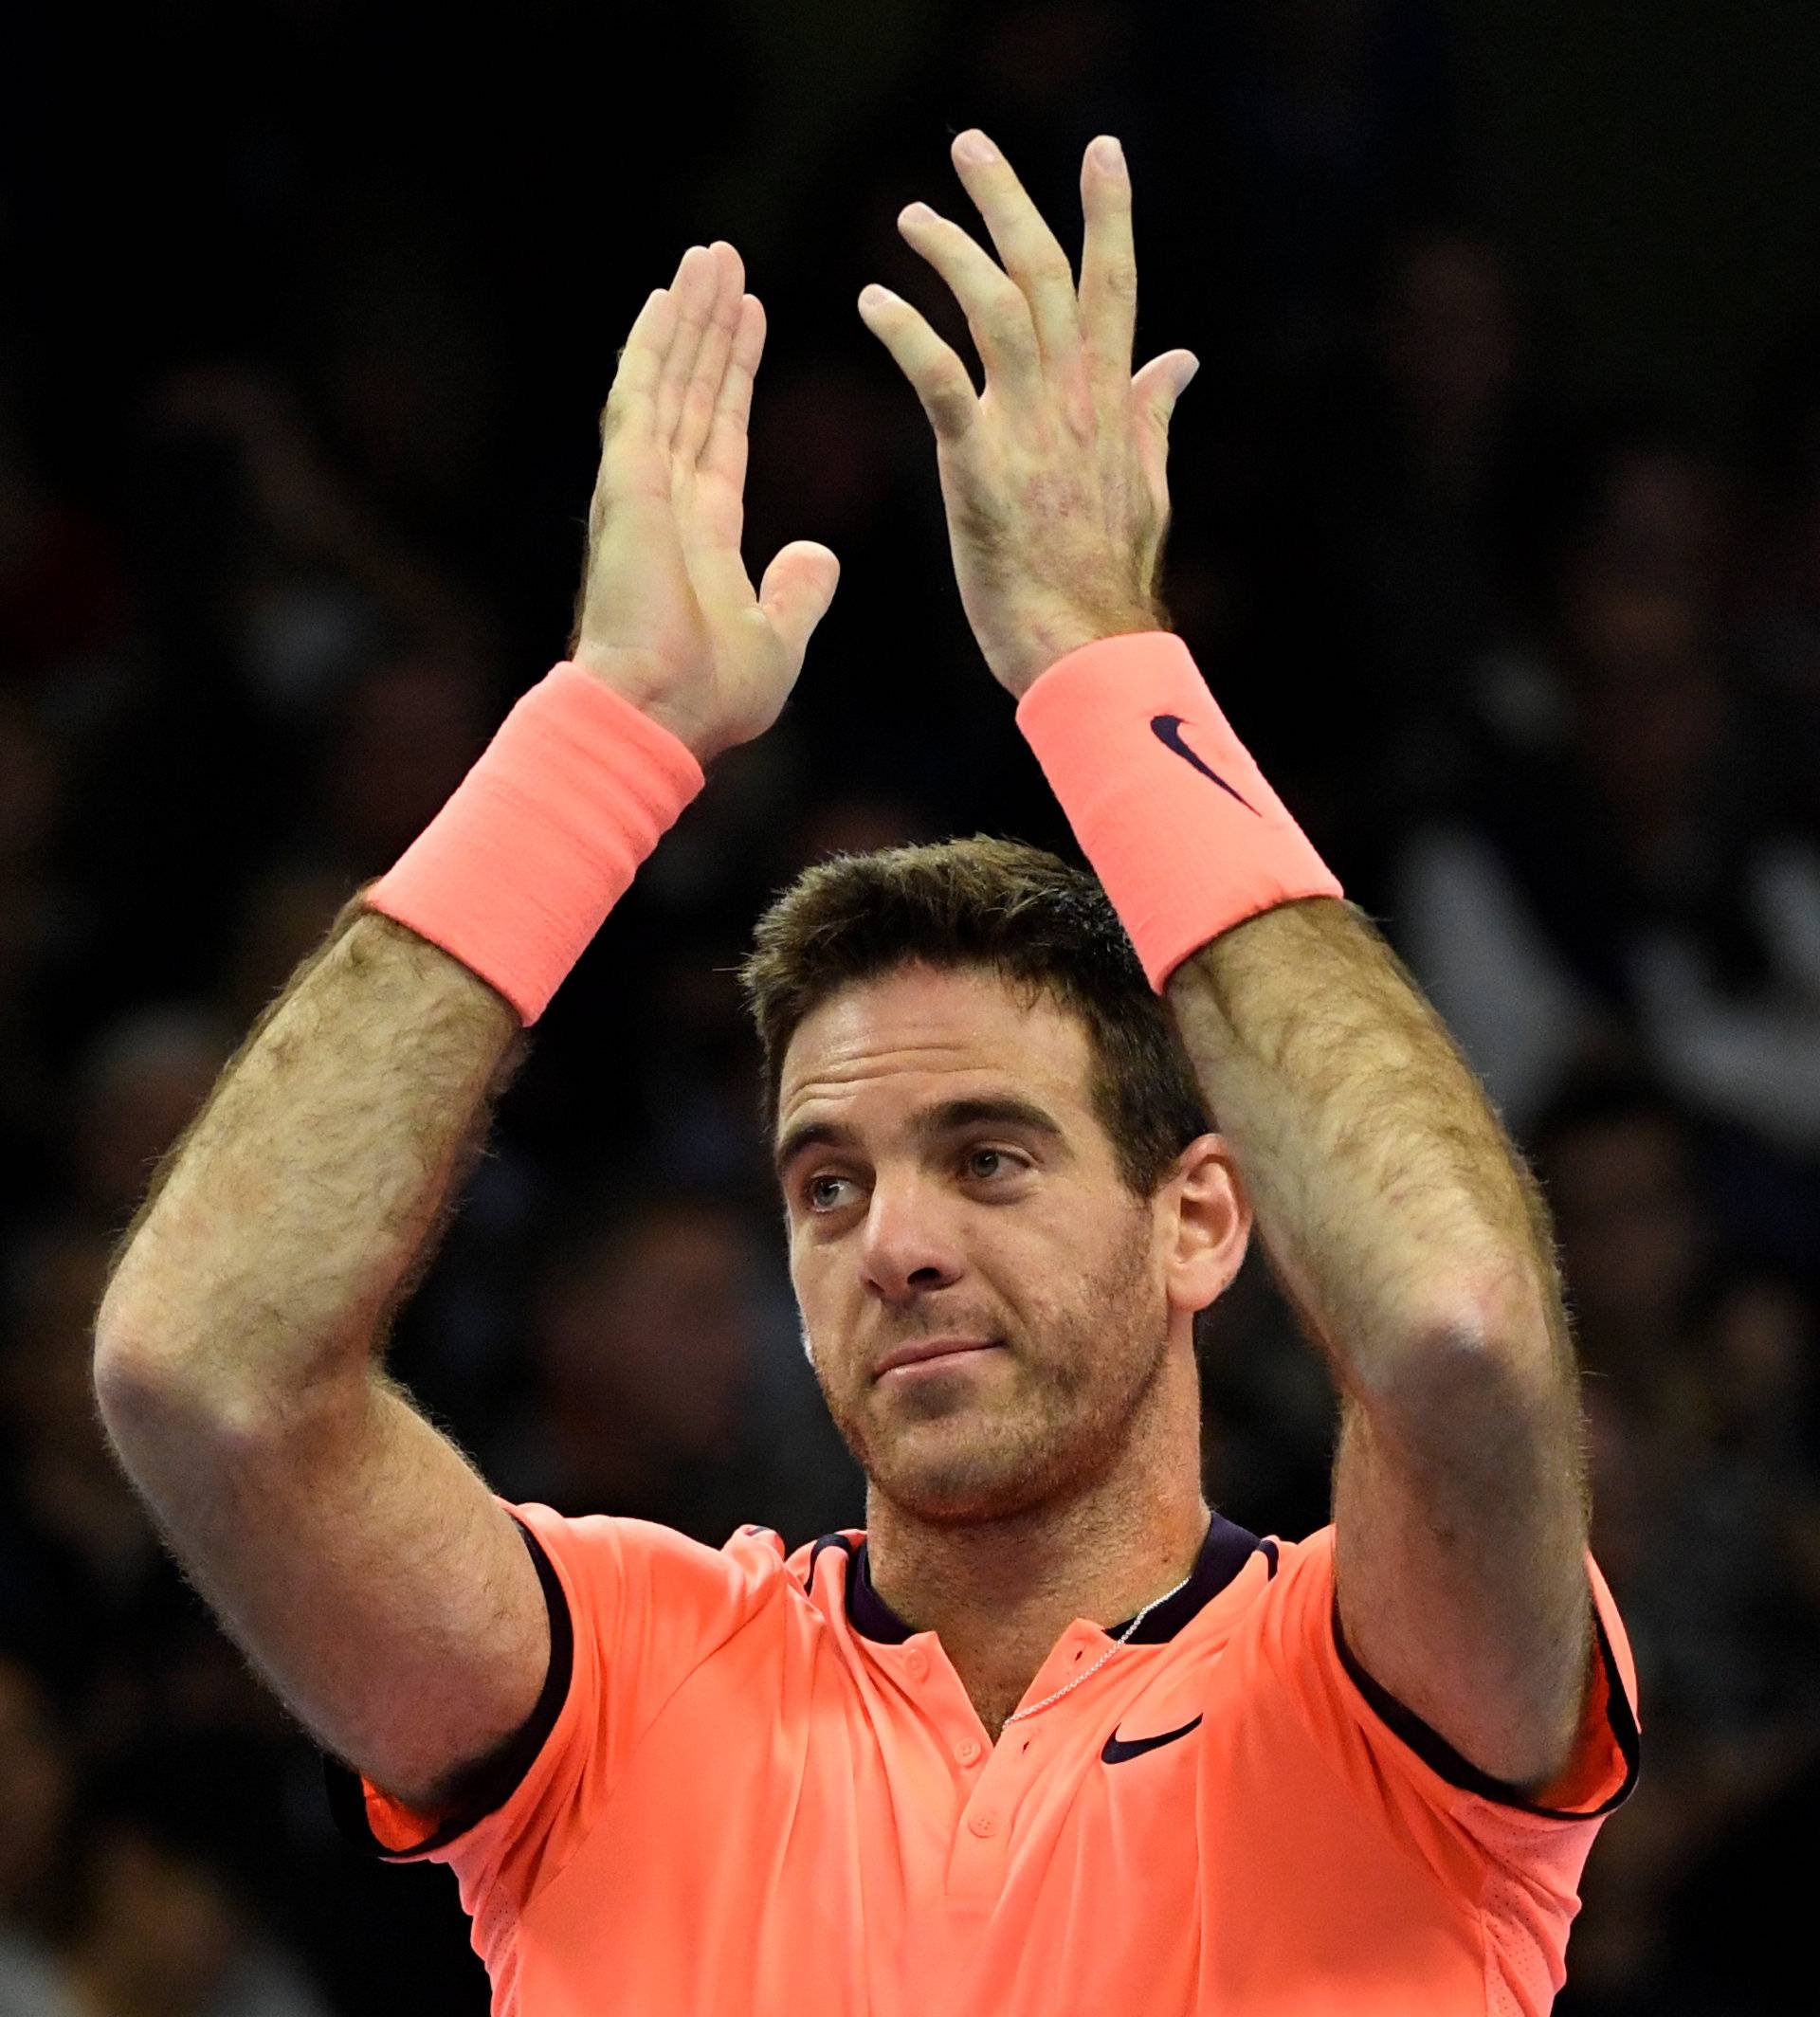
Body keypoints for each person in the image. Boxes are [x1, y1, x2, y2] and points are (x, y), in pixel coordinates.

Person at [91, 129, 1638, 2016]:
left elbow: (1461, 1326)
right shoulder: (622, 1678)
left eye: (989, 1155)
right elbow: (203, 1371)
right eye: (828, 1180)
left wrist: (1100, 665)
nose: (890, 1238)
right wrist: (606, 730)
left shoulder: (1383, 1684)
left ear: (1203, 1214)